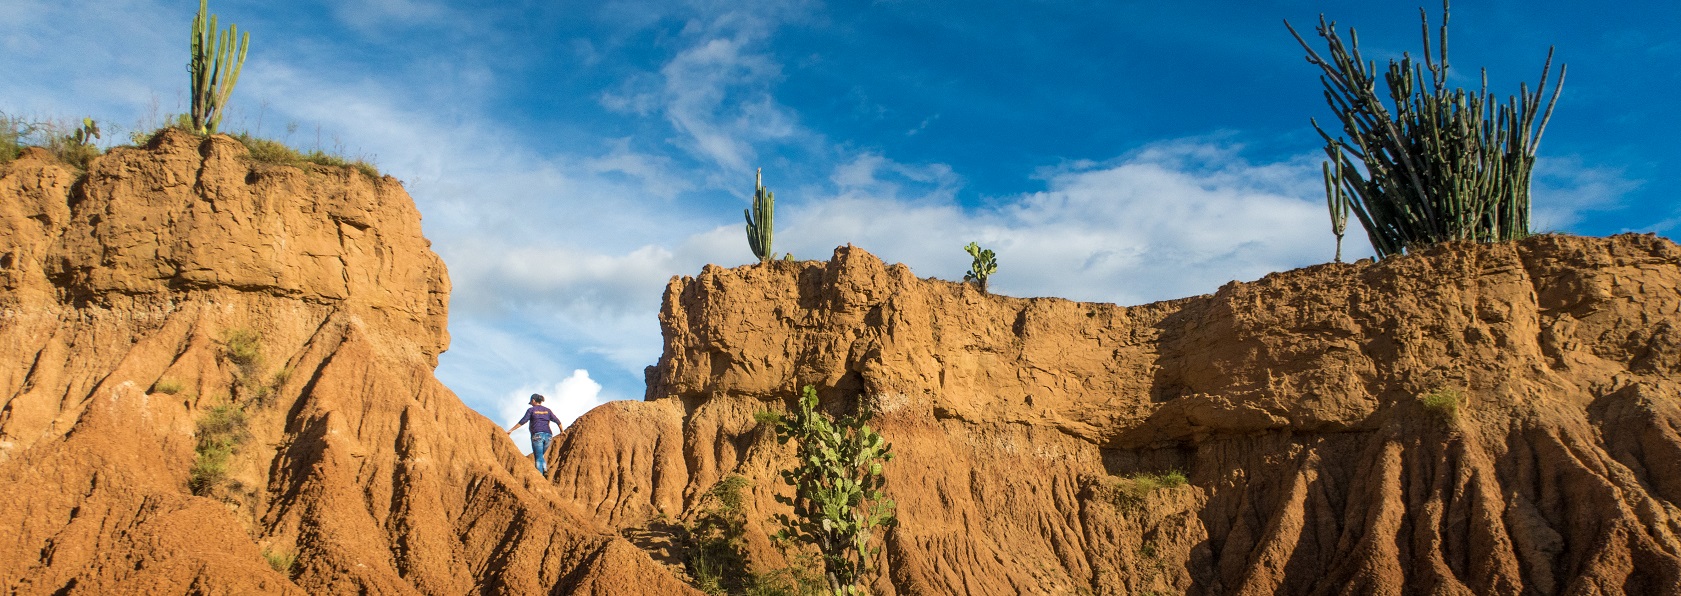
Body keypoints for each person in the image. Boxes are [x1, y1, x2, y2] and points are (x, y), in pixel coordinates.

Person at [507, 393, 561, 475]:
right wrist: (562, 431)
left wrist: (511, 430)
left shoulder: (531, 410)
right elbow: (557, 421)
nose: (531, 404)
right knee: (540, 455)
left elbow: (523, 421)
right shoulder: (548, 410)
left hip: (537, 435)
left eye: (531, 402)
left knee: (538, 457)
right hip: (549, 436)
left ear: (533, 400)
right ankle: (545, 469)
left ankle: (540, 475)